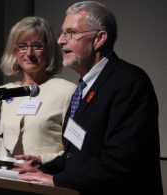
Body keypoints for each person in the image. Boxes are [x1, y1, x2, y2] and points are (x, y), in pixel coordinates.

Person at [15, 1, 163, 195]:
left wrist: (56, 180)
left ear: (99, 38)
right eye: (62, 32)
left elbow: (120, 161)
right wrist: (42, 167)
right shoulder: (84, 87)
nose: (60, 40)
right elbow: (79, 154)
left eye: (71, 32)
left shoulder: (130, 83)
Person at [0, 16, 76, 165]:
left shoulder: (67, 92)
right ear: (14, 52)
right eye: (22, 46)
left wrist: (41, 159)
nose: (29, 53)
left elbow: (76, 151)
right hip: (1, 181)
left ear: (49, 51)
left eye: (37, 46)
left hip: (42, 180)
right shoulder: (2, 92)